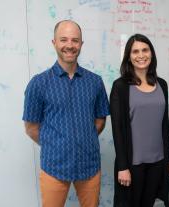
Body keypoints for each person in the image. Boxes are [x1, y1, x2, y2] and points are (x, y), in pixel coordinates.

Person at [23, 20, 110, 207]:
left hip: (89, 165)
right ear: (54, 42)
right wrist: (56, 144)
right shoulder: (38, 84)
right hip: (54, 167)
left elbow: (100, 119)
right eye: (63, 40)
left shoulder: (95, 82)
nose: (69, 45)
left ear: (81, 44)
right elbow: (31, 127)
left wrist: (83, 139)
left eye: (75, 40)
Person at [110, 33, 169, 207]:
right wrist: (122, 167)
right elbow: (117, 129)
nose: (141, 55)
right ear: (129, 57)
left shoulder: (162, 84)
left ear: (151, 53)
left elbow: (164, 125)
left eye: (145, 50)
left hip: (158, 162)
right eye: (135, 51)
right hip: (132, 164)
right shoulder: (121, 86)